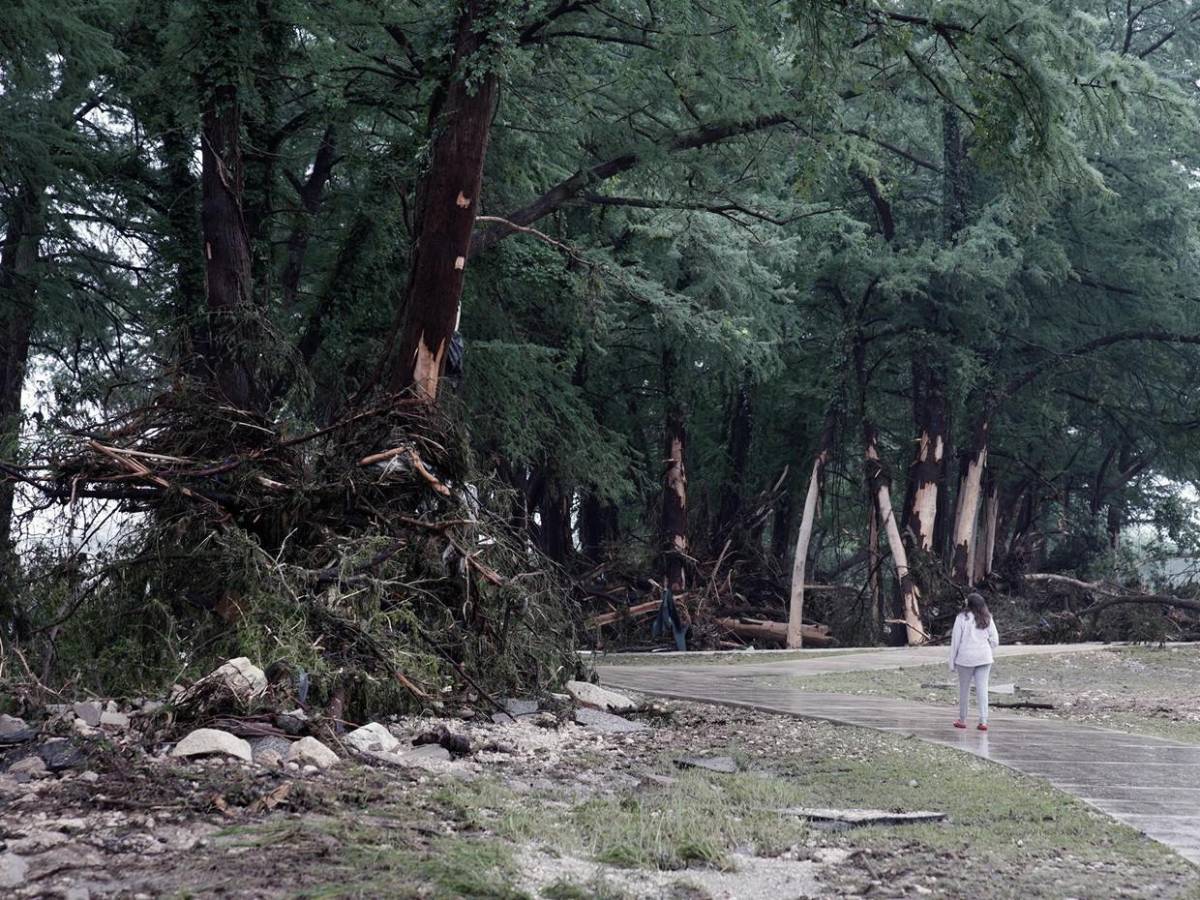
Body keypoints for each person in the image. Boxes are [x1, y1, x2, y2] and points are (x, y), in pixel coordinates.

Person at [948, 592, 999, 731]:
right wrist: (988, 648)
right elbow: (995, 640)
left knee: (964, 690)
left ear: (968, 604)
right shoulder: (987, 617)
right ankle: (983, 721)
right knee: (982, 689)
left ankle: (962, 720)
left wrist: (951, 661)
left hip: (965, 659)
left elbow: (955, 641)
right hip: (984, 657)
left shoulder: (961, 618)